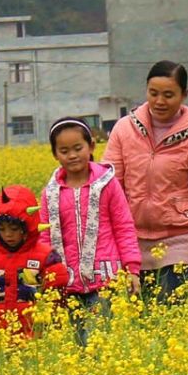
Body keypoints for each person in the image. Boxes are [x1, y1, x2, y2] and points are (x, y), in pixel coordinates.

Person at [102, 60, 188, 305]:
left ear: (184, 95)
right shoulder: (124, 130)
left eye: (168, 95)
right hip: (131, 243)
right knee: (142, 323)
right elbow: (108, 186)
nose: (159, 101)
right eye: (153, 93)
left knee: (167, 316)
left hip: (178, 242)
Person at [40, 117, 142, 346]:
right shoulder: (50, 193)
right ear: (55, 154)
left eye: (78, 148)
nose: (72, 155)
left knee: (100, 339)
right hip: (67, 281)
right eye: (64, 150)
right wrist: (46, 277)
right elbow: (45, 237)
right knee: (80, 341)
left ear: (91, 147)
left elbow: (124, 226)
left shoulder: (107, 184)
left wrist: (132, 268)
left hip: (105, 278)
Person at [0, 185, 69, 340]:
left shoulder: (46, 257)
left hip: (35, 333)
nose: (8, 235)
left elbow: (57, 296)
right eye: (2, 229)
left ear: (27, 227)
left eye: (14, 229)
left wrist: (55, 327)